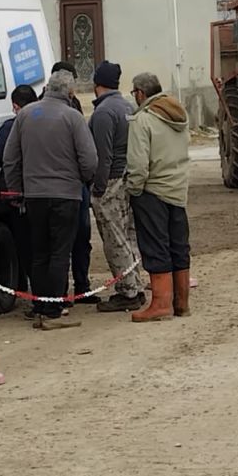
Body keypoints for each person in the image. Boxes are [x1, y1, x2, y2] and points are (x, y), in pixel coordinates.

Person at [4, 70, 98, 329]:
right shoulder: (73, 117)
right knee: (60, 251)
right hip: (66, 194)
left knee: (39, 251)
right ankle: (54, 310)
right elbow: (89, 160)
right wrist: (83, 181)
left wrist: (16, 189)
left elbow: (10, 157)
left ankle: (39, 305)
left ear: (47, 88)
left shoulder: (24, 115)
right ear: (69, 92)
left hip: (34, 195)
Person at [124, 73, 192, 322]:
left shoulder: (143, 120)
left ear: (140, 93)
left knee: (155, 246)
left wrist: (133, 188)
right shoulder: (179, 114)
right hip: (177, 190)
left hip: (152, 192)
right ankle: (181, 303)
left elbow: (139, 163)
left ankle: (161, 304)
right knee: (178, 246)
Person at [86, 61, 150, 312]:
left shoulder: (103, 113)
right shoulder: (127, 106)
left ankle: (128, 292)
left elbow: (103, 156)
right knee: (128, 235)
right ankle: (135, 285)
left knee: (114, 238)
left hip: (111, 181)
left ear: (96, 84)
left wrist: (98, 188)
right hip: (127, 178)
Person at [43, 61, 96, 305]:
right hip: (69, 183)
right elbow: (86, 154)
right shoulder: (48, 108)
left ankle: (81, 285)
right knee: (62, 241)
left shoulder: (71, 106)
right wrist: (86, 178)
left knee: (79, 237)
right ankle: (60, 292)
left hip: (66, 184)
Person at [0, 84, 39, 292]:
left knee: (25, 245)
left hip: (19, 198)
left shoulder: (11, 127)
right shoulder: (57, 120)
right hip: (52, 193)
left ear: (15, 106)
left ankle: (31, 293)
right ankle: (54, 296)